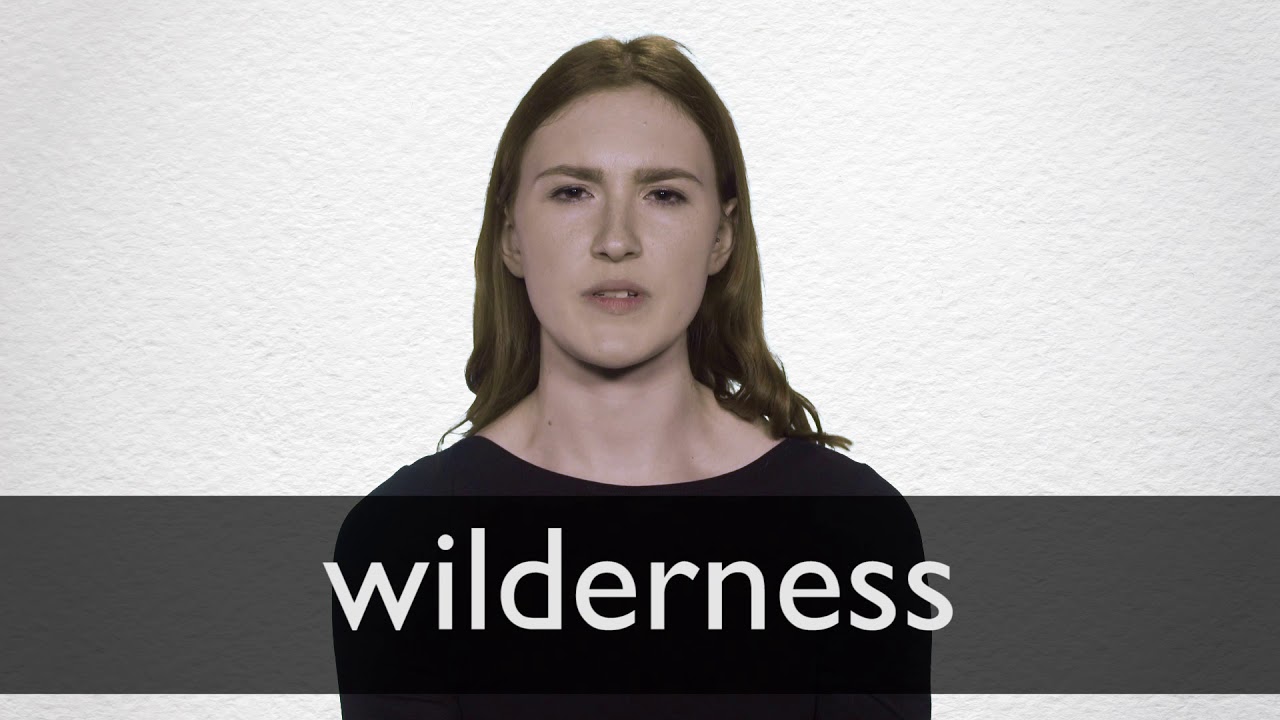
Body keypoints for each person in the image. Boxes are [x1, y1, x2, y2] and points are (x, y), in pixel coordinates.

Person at [333, 34, 931, 719]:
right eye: (572, 191)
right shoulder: (404, 542)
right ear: (511, 236)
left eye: (664, 194)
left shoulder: (853, 532)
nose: (616, 239)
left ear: (721, 237)